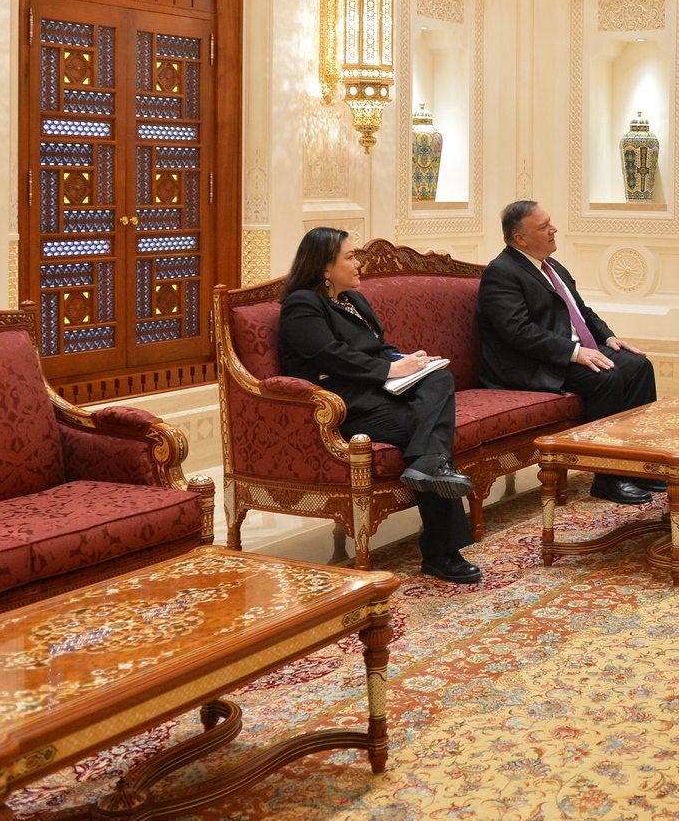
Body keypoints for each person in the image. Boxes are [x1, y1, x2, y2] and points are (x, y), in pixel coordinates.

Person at [277, 227, 483, 584]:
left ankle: (430, 470)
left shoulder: (355, 301)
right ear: (325, 268)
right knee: (428, 437)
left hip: (379, 392)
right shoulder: (303, 305)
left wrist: (410, 361)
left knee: (439, 379)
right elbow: (330, 355)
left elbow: (379, 348)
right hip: (341, 406)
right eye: (350, 256)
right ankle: (441, 551)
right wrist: (390, 368)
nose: (359, 264)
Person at [478, 200, 658, 505]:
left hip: (568, 352)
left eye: (550, 221)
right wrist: (574, 353)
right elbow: (517, 332)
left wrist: (610, 338)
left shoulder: (552, 266)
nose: (553, 229)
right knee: (606, 377)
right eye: (543, 226)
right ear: (520, 238)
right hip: (531, 364)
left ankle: (639, 466)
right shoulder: (502, 272)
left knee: (639, 366)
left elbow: (581, 310)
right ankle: (607, 478)